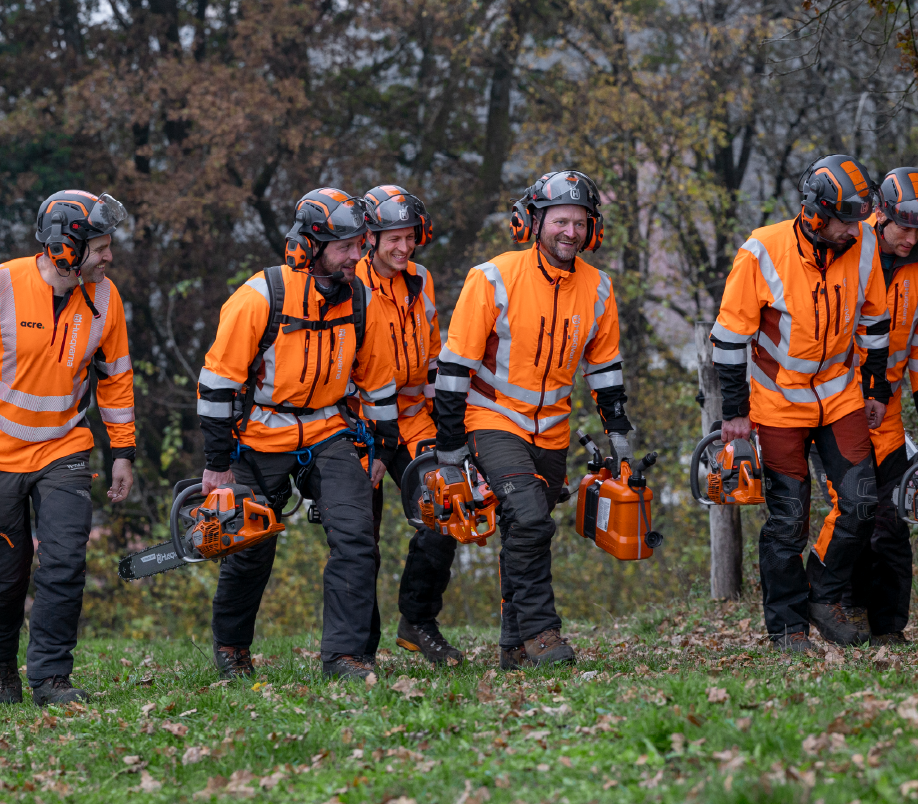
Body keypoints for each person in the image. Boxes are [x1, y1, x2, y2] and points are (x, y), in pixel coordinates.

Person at [0, 190, 136, 706]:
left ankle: (51, 679)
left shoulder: (106, 298)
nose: (109, 256)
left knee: (65, 562)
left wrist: (123, 451)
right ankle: (0, 669)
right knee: (5, 577)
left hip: (64, 449)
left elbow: (115, 379)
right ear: (66, 248)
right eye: (101, 246)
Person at [195, 188, 399, 681]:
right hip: (259, 435)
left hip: (329, 430)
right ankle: (232, 648)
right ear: (308, 246)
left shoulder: (361, 300)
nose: (358, 256)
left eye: (360, 244)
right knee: (249, 547)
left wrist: (383, 444)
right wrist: (218, 463)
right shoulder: (260, 297)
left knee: (356, 538)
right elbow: (217, 384)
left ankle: (345, 657)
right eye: (346, 246)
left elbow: (380, 380)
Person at [435, 170, 631, 669]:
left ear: (593, 228)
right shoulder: (493, 277)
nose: (570, 232)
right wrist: (451, 442)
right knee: (529, 518)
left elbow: (604, 368)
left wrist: (619, 430)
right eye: (560, 220)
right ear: (534, 221)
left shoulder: (599, 289)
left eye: (580, 222)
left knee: (526, 532)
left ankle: (513, 646)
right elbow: (455, 366)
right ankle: (543, 635)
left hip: (553, 430)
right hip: (492, 417)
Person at [711, 154, 891, 651]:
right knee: (789, 520)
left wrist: (875, 387)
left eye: (859, 219)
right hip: (776, 403)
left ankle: (823, 595)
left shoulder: (866, 244)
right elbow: (728, 339)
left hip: (840, 394)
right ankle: (786, 627)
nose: (853, 230)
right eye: (844, 220)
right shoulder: (762, 252)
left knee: (859, 505)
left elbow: (874, 323)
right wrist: (734, 412)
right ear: (815, 213)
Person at [811, 167, 918, 646]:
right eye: (902, 227)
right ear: (880, 214)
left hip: (885, 411)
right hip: (836, 405)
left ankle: (887, 625)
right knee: (851, 510)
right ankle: (841, 609)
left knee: (890, 518)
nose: (911, 238)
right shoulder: (851, 244)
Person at [354, 185, 464, 666]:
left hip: (413, 419)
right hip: (357, 425)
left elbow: (433, 354)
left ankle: (418, 621)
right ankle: (358, 644)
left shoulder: (421, 280)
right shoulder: (349, 283)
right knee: (360, 537)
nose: (402, 248)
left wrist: (452, 416)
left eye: (409, 237)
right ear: (369, 239)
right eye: (391, 238)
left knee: (448, 510)